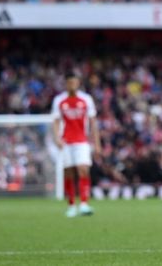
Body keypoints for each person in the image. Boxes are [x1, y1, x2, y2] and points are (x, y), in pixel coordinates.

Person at [52, 73, 101, 217]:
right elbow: (56, 121)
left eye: (74, 82)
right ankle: (72, 205)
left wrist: (97, 143)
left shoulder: (86, 99)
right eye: (70, 83)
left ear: (78, 83)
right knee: (68, 172)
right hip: (66, 141)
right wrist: (57, 138)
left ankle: (84, 204)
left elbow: (93, 122)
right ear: (66, 84)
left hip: (82, 141)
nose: (72, 85)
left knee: (83, 169)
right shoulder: (59, 100)